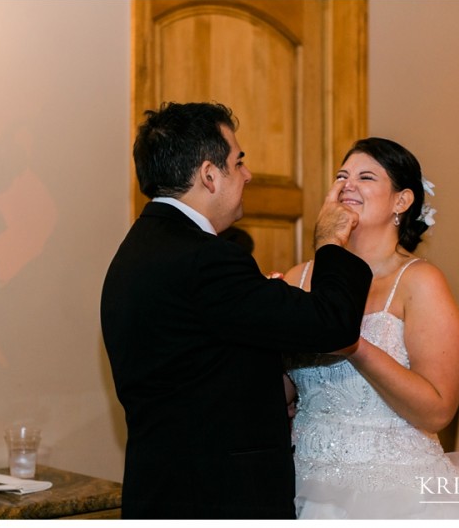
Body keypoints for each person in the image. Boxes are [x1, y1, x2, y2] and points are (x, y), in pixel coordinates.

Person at [100, 101, 372, 519]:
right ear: (210, 175)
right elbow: (333, 324)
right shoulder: (206, 259)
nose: (247, 174)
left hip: (163, 491)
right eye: (238, 161)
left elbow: (200, 364)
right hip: (218, 499)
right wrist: (331, 241)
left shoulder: (138, 249)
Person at [283, 138, 459, 519]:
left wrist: (356, 347)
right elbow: (284, 389)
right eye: (341, 176)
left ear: (401, 201)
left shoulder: (419, 282)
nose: (348, 185)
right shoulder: (299, 278)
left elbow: (436, 411)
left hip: (396, 493)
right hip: (302, 483)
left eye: (366, 177)